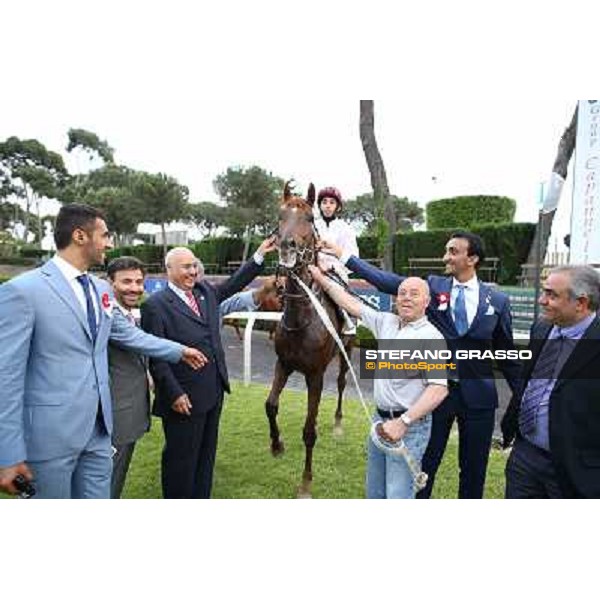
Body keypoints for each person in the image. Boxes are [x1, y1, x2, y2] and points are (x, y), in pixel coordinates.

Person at [0, 204, 206, 499]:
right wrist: (7, 453)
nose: (110, 242)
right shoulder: (22, 291)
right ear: (80, 236)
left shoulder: (100, 290)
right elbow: (5, 377)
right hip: (49, 439)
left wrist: (178, 350)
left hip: (99, 432)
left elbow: (127, 334)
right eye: (105, 235)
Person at [320, 231, 521, 498]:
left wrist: (523, 398)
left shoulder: (497, 301)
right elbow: (385, 281)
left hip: (479, 400)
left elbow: (507, 355)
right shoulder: (432, 287)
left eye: (452, 251)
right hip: (434, 398)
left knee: (474, 471)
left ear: (472, 258)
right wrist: (343, 255)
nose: (445, 257)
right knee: (423, 468)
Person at [141, 238, 277, 499]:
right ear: (168, 270)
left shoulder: (205, 292)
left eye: (194, 266)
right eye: (185, 267)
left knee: (205, 459)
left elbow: (234, 284)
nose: (192, 272)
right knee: (181, 461)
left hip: (213, 393)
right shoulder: (155, 306)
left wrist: (259, 255)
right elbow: (156, 358)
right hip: (183, 399)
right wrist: (174, 393)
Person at [309, 266, 448, 498]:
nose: (406, 298)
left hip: (409, 427)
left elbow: (438, 389)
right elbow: (349, 303)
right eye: (402, 293)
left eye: (414, 293)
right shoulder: (386, 322)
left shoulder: (431, 336)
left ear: (427, 301)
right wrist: (320, 278)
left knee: (397, 495)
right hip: (380, 421)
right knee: (375, 493)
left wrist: (403, 422)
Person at [501, 265, 600, 498]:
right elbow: (528, 381)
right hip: (525, 456)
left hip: (577, 467)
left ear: (581, 303)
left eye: (551, 295)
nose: (541, 300)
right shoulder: (542, 328)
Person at [314, 186, 359, 333]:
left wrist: (332, 267)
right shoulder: (312, 226)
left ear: (337, 206)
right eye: (324, 202)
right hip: (313, 269)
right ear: (319, 205)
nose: (327, 205)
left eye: (332, 202)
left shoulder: (345, 228)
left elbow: (352, 256)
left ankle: (347, 321)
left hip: (335, 273)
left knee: (339, 293)